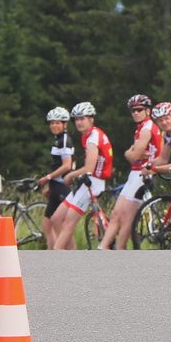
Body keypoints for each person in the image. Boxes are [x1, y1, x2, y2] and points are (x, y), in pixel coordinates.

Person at [98, 94, 160, 250]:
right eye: (133, 110)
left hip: (144, 174)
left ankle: (120, 250)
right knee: (116, 214)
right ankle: (103, 247)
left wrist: (130, 152)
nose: (136, 113)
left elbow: (133, 156)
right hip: (135, 174)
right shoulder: (140, 128)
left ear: (148, 111)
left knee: (127, 217)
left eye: (139, 110)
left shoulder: (147, 128)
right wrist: (133, 152)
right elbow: (135, 154)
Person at [58, 102, 112, 250]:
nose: (79, 122)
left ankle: (55, 255)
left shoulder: (93, 138)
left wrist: (70, 175)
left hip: (93, 183)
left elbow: (89, 168)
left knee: (68, 223)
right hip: (88, 181)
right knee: (57, 217)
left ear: (91, 119)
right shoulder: (89, 135)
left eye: (83, 118)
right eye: (76, 119)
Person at [38, 107, 75, 250]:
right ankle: (52, 254)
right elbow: (56, 165)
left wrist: (48, 177)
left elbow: (66, 166)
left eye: (57, 123)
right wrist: (49, 183)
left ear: (65, 124)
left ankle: (69, 254)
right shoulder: (58, 140)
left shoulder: (64, 140)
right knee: (47, 225)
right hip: (55, 185)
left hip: (62, 186)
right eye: (52, 123)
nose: (54, 126)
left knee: (60, 224)